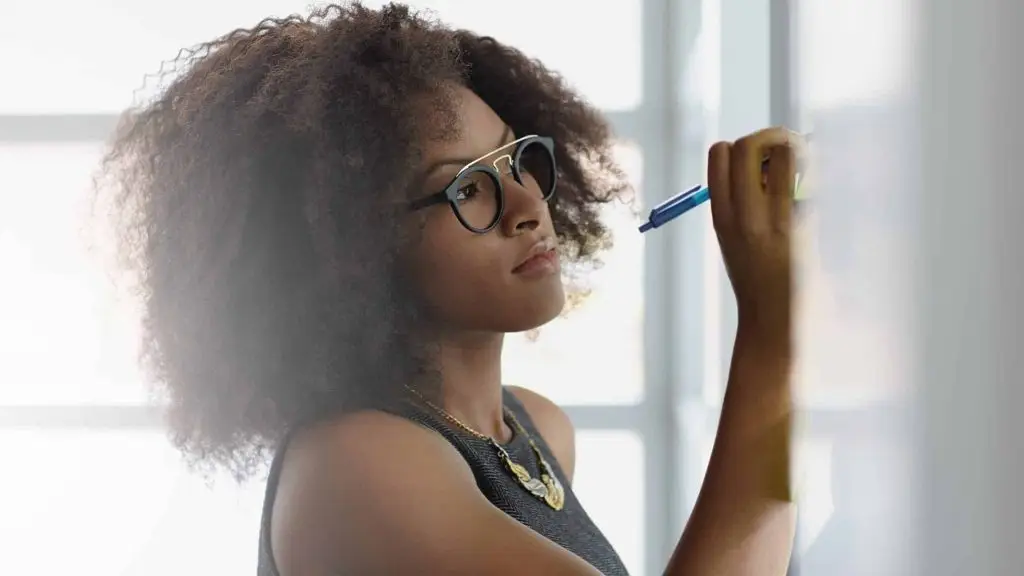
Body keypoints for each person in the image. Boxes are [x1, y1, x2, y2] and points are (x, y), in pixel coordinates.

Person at [101, 3, 800, 574]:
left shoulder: (535, 430)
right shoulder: (357, 468)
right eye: (466, 186)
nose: (527, 201)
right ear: (351, 250)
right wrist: (769, 332)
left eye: (516, 154)